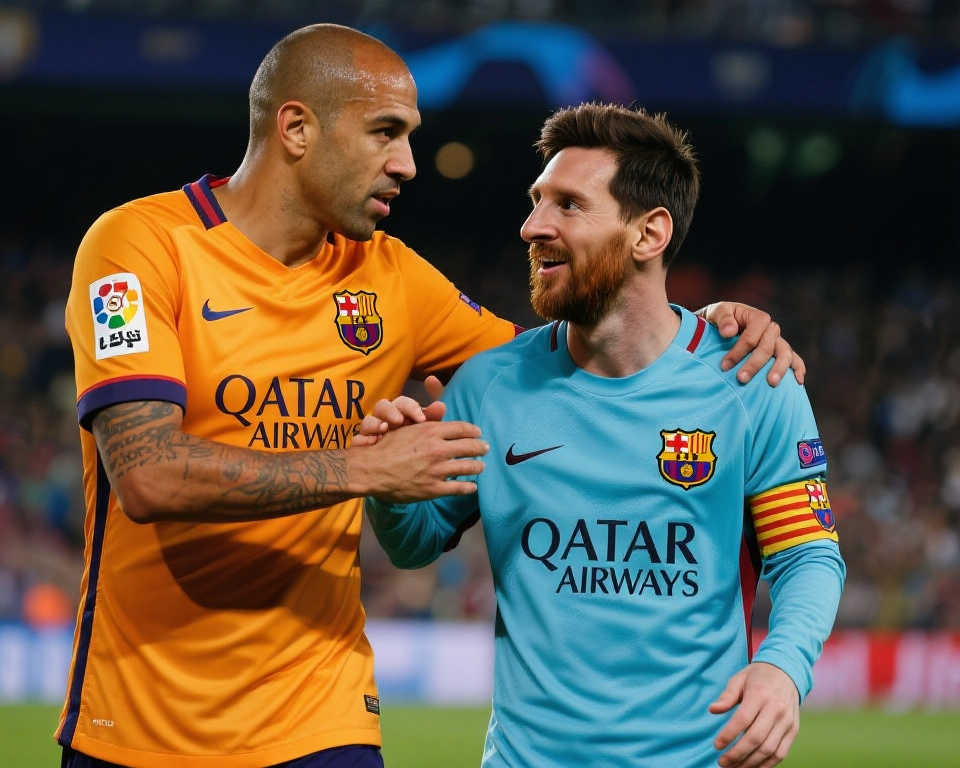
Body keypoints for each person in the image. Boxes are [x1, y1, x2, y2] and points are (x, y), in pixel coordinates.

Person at [59, 23, 805, 768]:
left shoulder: (393, 279)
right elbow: (147, 475)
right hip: (138, 714)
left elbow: (577, 361)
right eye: (385, 132)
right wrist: (363, 469)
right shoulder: (138, 248)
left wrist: (698, 331)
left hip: (320, 715)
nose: (408, 164)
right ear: (296, 128)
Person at [362, 104, 845, 768]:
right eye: (537, 201)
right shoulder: (489, 385)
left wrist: (782, 667)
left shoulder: (751, 382)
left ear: (649, 233)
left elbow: (807, 554)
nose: (533, 226)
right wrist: (389, 487)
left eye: (568, 205)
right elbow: (415, 543)